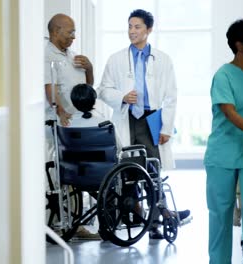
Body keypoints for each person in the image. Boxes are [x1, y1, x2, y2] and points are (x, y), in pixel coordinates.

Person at [97, 9, 190, 239]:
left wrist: (166, 128)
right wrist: (121, 96)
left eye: (137, 27)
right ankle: (132, 215)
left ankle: (157, 223)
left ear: (148, 30)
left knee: (154, 172)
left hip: (151, 120)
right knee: (128, 171)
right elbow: (103, 89)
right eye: (129, 26)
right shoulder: (116, 59)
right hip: (127, 118)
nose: (132, 31)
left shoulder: (163, 59)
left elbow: (171, 96)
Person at [204, 19, 243, 264]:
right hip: (223, 156)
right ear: (240, 45)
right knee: (221, 214)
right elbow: (229, 111)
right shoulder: (223, 75)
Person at [44, 14, 96, 240]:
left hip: (77, 125)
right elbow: (49, 87)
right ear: (55, 31)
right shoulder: (46, 55)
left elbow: (87, 90)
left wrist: (90, 68)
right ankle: (60, 224)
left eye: (75, 32)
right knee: (60, 175)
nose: (74, 36)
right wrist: (61, 111)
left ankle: (76, 222)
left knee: (76, 174)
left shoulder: (73, 56)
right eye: (70, 32)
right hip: (59, 125)